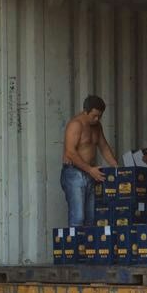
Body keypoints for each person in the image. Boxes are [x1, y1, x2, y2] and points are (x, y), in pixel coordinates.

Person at [62, 95, 117, 226]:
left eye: (100, 116)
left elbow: (104, 147)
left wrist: (116, 167)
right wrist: (90, 170)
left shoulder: (97, 126)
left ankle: (87, 241)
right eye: (94, 116)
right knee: (78, 217)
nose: (97, 119)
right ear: (85, 111)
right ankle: (75, 240)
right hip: (74, 173)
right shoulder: (76, 125)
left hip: (90, 173)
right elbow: (70, 152)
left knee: (91, 218)